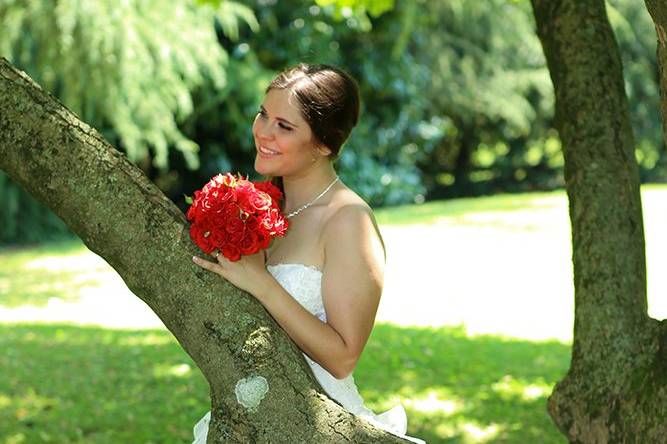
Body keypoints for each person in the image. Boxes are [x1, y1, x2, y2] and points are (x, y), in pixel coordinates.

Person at [191, 63, 425, 444]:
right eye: (264, 114)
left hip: (316, 426)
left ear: (324, 144)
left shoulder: (348, 220)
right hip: (246, 419)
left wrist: (263, 285)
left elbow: (343, 356)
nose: (263, 132)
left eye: (285, 126)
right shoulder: (262, 209)